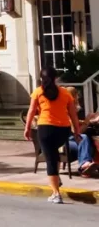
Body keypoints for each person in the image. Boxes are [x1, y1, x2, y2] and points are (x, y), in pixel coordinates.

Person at [24, 66, 82, 203]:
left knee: (50, 159)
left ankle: (56, 193)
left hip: (46, 129)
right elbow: (73, 114)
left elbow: (31, 111)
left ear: (41, 78)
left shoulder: (38, 92)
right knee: (54, 155)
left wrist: (27, 128)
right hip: (63, 130)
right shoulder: (65, 93)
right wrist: (77, 131)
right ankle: (56, 179)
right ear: (55, 78)